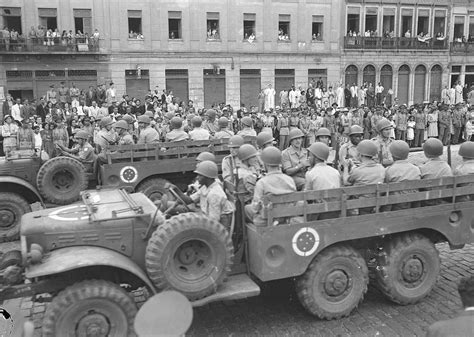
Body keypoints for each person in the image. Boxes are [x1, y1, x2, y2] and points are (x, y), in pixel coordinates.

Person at [245, 146, 296, 226]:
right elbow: (294, 201)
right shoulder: (290, 180)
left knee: (247, 208)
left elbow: (255, 208)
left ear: (266, 164)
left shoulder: (261, 183)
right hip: (287, 216)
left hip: (267, 220)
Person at [342, 140, 385, 215]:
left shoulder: (357, 171)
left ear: (360, 154)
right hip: (376, 203)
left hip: (360, 205)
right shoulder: (381, 168)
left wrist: (346, 167)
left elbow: (346, 182)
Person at [190, 161, 235, 229]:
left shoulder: (214, 194)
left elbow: (214, 222)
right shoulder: (205, 187)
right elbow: (190, 199)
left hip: (220, 224)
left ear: (207, 177)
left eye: (200, 175)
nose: (197, 177)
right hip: (210, 218)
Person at [305, 142, 341, 220]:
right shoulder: (336, 172)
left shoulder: (310, 174)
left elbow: (307, 195)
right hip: (335, 212)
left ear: (316, 158)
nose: (308, 158)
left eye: (310, 156)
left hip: (319, 214)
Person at [384, 140, 421, 210]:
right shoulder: (416, 169)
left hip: (394, 206)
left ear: (392, 155)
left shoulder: (389, 170)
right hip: (412, 205)